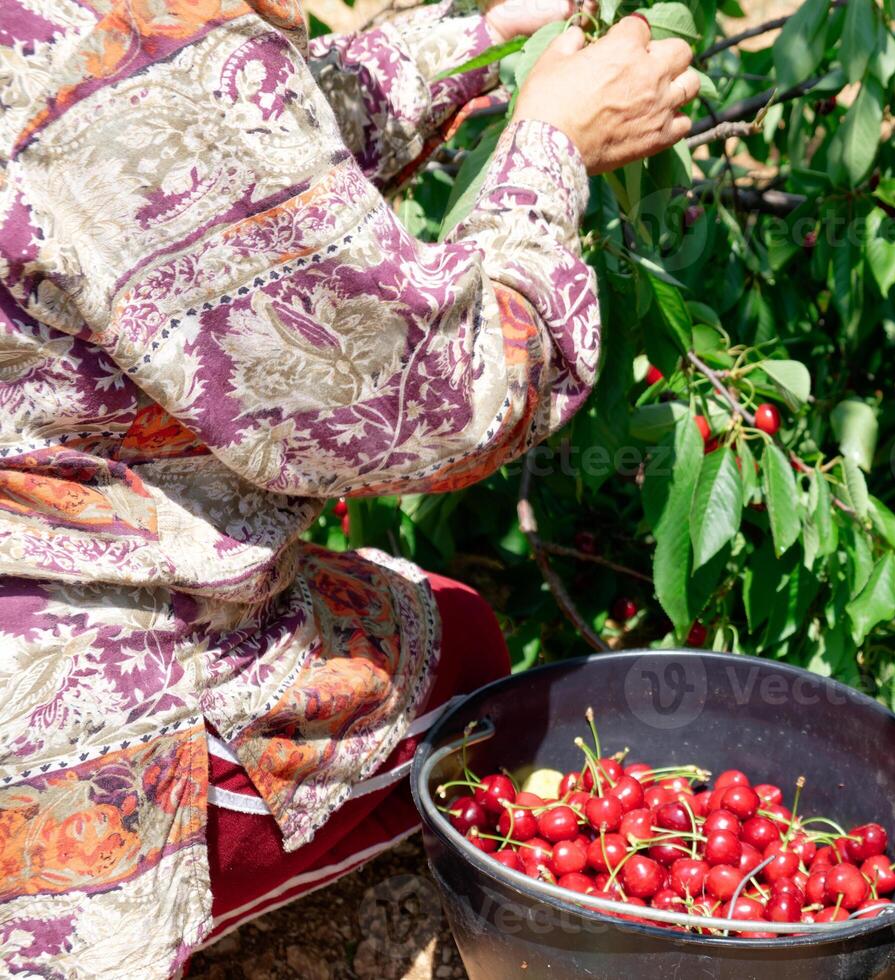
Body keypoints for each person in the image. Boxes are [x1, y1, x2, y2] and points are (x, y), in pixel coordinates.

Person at [0, 0, 697, 974]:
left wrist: (487, 43)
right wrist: (550, 154)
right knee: (468, 653)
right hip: (60, 723)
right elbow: (444, 395)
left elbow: (220, 145)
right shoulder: (147, 51)